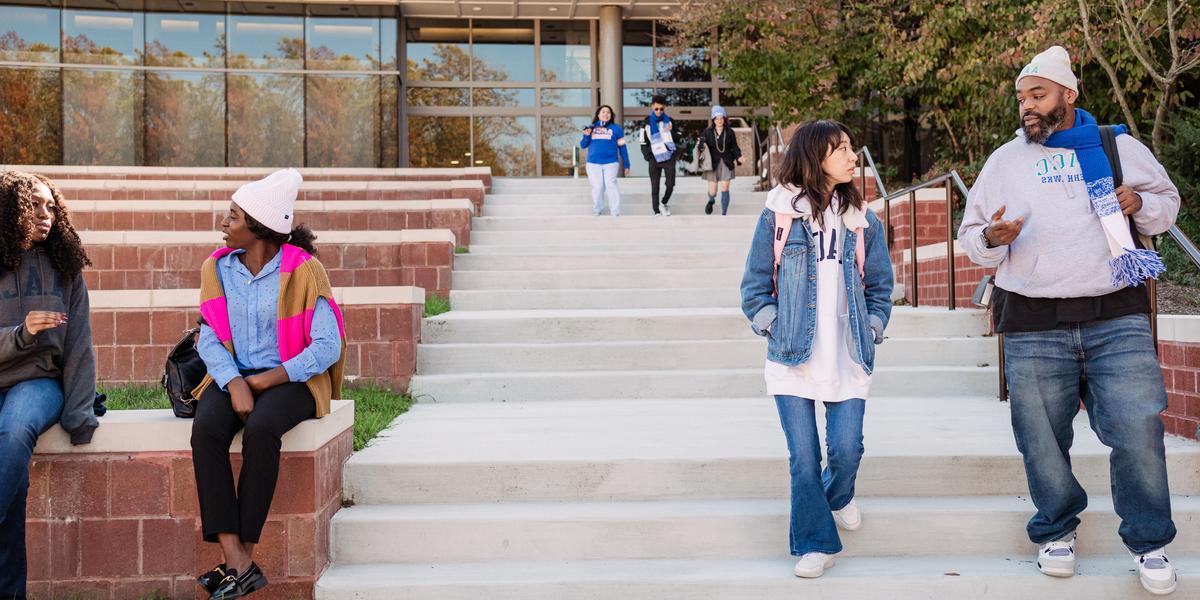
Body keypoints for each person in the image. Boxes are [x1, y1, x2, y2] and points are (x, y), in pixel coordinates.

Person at [958, 46, 1181, 595]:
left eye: (1038, 95)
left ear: (1068, 95)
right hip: (1033, 320)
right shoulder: (1004, 161)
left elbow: (1167, 202)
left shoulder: (1117, 146)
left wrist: (1138, 204)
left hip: (1116, 313)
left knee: (1138, 429)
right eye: (1021, 98)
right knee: (1039, 437)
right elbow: (971, 235)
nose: (1027, 107)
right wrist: (992, 239)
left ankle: (1149, 543)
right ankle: (1056, 529)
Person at [740, 121, 893, 579]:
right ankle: (814, 543)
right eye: (841, 149)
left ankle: (838, 495)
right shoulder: (779, 214)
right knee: (803, 457)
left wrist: (873, 325)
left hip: (848, 353)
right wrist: (773, 326)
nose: (852, 156)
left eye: (851, 148)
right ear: (814, 157)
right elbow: (754, 286)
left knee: (846, 451)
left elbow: (880, 287)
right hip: (792, 355)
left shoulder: (864, 220)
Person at [191, 168, 346, 599]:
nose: (223, 223)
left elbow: (327, 345)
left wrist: (266, 381)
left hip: (292, 379)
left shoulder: (305, 270)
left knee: (261, 431)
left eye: (233, 216)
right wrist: (234, 382)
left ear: (258, 226)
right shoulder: (217, 268)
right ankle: (236, 560)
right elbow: (208, 336)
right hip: (232, 375)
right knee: (206, 431)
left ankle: (244, 557)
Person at [0, 171, 97, 600]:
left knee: (15, 430)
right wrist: (22, 332)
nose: (46, 215)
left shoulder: (65, 270)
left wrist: (80, 417)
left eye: (51, 207)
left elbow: (79, 346)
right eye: (34, 205)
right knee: (12, 490)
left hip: (37, 383)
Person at [580, 104, 631, 216]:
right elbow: (583, 145)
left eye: (608, 112)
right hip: (593, 164)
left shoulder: (616, 129)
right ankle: (598, 209)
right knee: (598, 187)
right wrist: (586, 135)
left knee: (611, 184)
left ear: (611, 115)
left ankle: (615, 211)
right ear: (598, 115)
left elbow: (623, 147)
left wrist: (627, 164)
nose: (606, 114)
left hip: (611, 163)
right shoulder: (591, 128)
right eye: (603, 112)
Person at [639, 95, 683, 216]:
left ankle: (663, 203)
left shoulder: (670, 121)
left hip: (669, 157)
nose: (658, 111)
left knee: (670, 184)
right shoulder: (646, 122)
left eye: (661, 109)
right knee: (655, 186)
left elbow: (679, 137)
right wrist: (648, 156)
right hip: (654, 158)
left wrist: (671, 131)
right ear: (652, 106)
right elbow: (643, 141)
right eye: (656, 108)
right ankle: (656, 211)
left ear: (664, 108)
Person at [701, 105, 744, 215]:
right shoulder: (707, 132)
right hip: (712, 164)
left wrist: (738, 157)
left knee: (725, 188)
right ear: (713, 120)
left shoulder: (730, 132)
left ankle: (724, 213)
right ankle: (711, 200)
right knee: (713, 191)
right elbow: (702, 145)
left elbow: (734, 147)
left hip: (726, 162)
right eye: (717, 118)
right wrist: (701, 145)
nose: (719, 120)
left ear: (724, 119)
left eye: (721, 118)